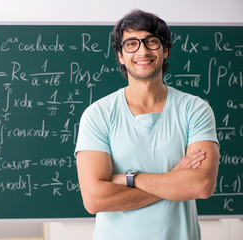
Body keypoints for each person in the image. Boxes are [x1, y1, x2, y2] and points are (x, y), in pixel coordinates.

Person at [75, 9, 219, 240]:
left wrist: (130, 178)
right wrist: (174, 179)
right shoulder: (98, 115)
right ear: (120, 55)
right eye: (131, 43)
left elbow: (201, 185)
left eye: (151, 42)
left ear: (165, 50)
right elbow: (94, 199)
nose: (142, 50)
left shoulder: (195, 109)